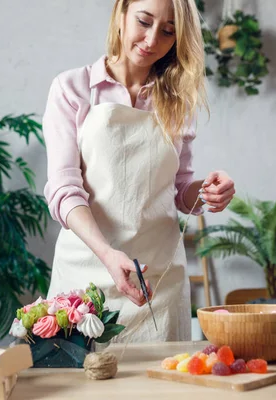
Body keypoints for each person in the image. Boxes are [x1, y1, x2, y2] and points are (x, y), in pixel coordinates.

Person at [42, 0, 235, 343]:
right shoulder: (72, 88)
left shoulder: (178, 101)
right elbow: (64, 189)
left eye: (167, 31)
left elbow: (180, 191)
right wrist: (107, 253)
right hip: (85, 277)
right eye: (144, 22)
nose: (151, 40)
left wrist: (206, 191)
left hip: (157, 281)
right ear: (121, 14)